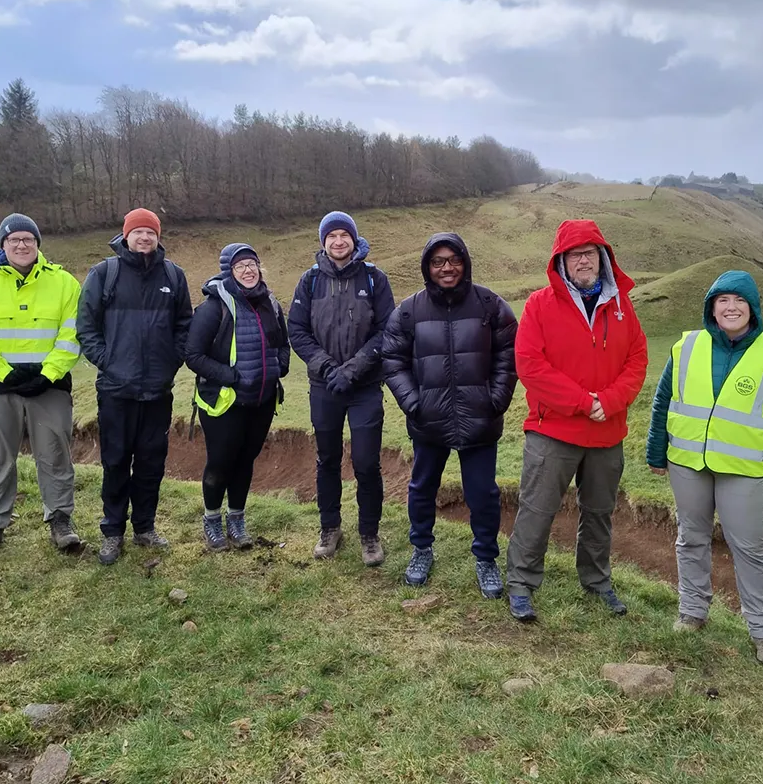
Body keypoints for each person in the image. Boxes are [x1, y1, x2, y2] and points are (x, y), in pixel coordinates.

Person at [645, 270, 763, 663]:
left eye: (739, 300)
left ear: (752, 308)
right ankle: (692, 612)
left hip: (743, 470)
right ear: (711, 308)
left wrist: (758, 442)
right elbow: (664, 398)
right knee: (691, 537)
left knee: (749, 549)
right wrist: (655, 451)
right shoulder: (686, 347)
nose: (731, 307)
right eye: (723, 300)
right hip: (686, 462)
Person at [504, 219, 648, 623]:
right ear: (560, 261)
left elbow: (637, 358)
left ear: (602, 259)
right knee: (538, 508)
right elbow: (530, 365)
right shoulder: (539, 305)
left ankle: (597, 579)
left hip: (607, 431)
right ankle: (521, 584)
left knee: (600, 510)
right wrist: (584, 402)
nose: (583, 260)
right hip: (554, 429)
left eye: (590, 253)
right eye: (574, 254)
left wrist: (612, 400)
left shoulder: (621, 305)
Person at [383, 233, 517, 596]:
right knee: (422, 488)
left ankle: (486, 559)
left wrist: (496, 399)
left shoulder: (490, 304)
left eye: (453, 260)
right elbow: (392, 360)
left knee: (483, 493)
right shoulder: (409, 310)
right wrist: (414, 403)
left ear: (465, 262)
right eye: (438, 261)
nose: (447, 268)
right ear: (427, 267)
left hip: (480, 419)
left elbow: (510, 351)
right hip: (428, 421)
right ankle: (421, 550)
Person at [0, 214, 84, 555]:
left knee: (55, 453)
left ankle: (60, 520)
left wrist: (48, 373)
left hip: (50, 385)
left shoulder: (65, 283)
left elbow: (72, 335)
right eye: (13, 239)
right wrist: (5, 373)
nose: (21, 245)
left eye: (28, 239)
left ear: (38, 244)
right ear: (2, 244)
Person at [77, 208, 193, 566]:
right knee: (115, 462)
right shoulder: (104, 274)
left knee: (150, 462)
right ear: (125, 235)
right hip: (115, 391)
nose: (145, 237)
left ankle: (144, 527)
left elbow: (184, 326)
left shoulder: (173, 275)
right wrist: (110, 363)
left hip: (158, 391)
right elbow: (86, 328)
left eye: (151, 232)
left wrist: (169, 363)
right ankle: (113, 531)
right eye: (138, 231)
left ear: (159, 237)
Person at [288, 212, 395, 565]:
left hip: (364, 388)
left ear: (353, 239)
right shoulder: (310, 281)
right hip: (324, 387)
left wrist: (353, 369)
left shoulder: (374, 279)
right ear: (323, 241)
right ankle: (330, 528)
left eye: (343, 235)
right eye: (331, 235)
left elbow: (386, 332)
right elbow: (297, 332)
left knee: (366, 463)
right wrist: (326, 367)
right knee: (328, 460)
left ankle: (369, 534)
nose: (338, 241)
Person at [184, 243, 290, 551]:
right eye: (240, 266)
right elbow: (193, 355)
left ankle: (237, 519)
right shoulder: (213, 307)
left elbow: (283, 343)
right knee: (220, 462)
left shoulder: (271, 303)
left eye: (252, 264)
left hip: (262, 400)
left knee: (246, 460)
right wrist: (230, 376)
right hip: (224, 402)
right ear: (228, 271)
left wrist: (280, 365)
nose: (248, 270)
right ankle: (212, 520)